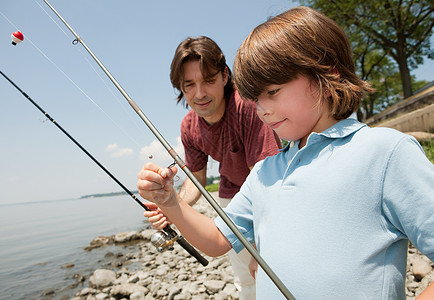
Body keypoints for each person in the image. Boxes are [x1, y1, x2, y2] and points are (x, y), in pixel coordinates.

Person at [137, 7, 434, 299]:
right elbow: (216, 240)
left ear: (326, 73)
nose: (262, 109)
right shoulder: (264, 173)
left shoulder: (385, 152)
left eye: (273, 91)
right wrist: (171, 201)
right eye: (256, 97)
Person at [143, 36, 282, 299]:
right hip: (230, 193)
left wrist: (260, 247)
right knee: (246, 277)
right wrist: (170, 206)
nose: (200, 93)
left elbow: (265, 176)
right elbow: (197, 178)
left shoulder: (248, 106)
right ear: (181, 89)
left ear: (225, 75)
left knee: (270, 269)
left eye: (208, 80)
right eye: (189, 85)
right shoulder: (188, 126)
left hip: (268, 186)